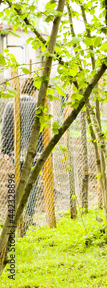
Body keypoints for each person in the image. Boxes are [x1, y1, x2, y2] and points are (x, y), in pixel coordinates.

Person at [1, 78, 44, 236]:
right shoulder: (37, 106)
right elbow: (41, 131)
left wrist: (5, 151)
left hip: (15, 154)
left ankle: (16, 216)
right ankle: (29, 216)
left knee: (17, 182)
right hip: (34, 153)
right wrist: (41, 150)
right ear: (33, 91)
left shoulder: (10, 105)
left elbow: (4, 128)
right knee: (31, 185)